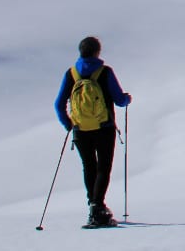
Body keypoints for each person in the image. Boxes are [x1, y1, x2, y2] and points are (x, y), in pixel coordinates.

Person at [55, 36, 131, 227]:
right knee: (103, 168)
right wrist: (127, 99)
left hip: (81, 129)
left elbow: (58, 104)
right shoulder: (105, 72)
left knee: (89, 166)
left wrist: (69, 123)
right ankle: (97, 208)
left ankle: (94, 205)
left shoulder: (71, 74)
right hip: (104, 128)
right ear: (98, 52)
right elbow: (119, 100)